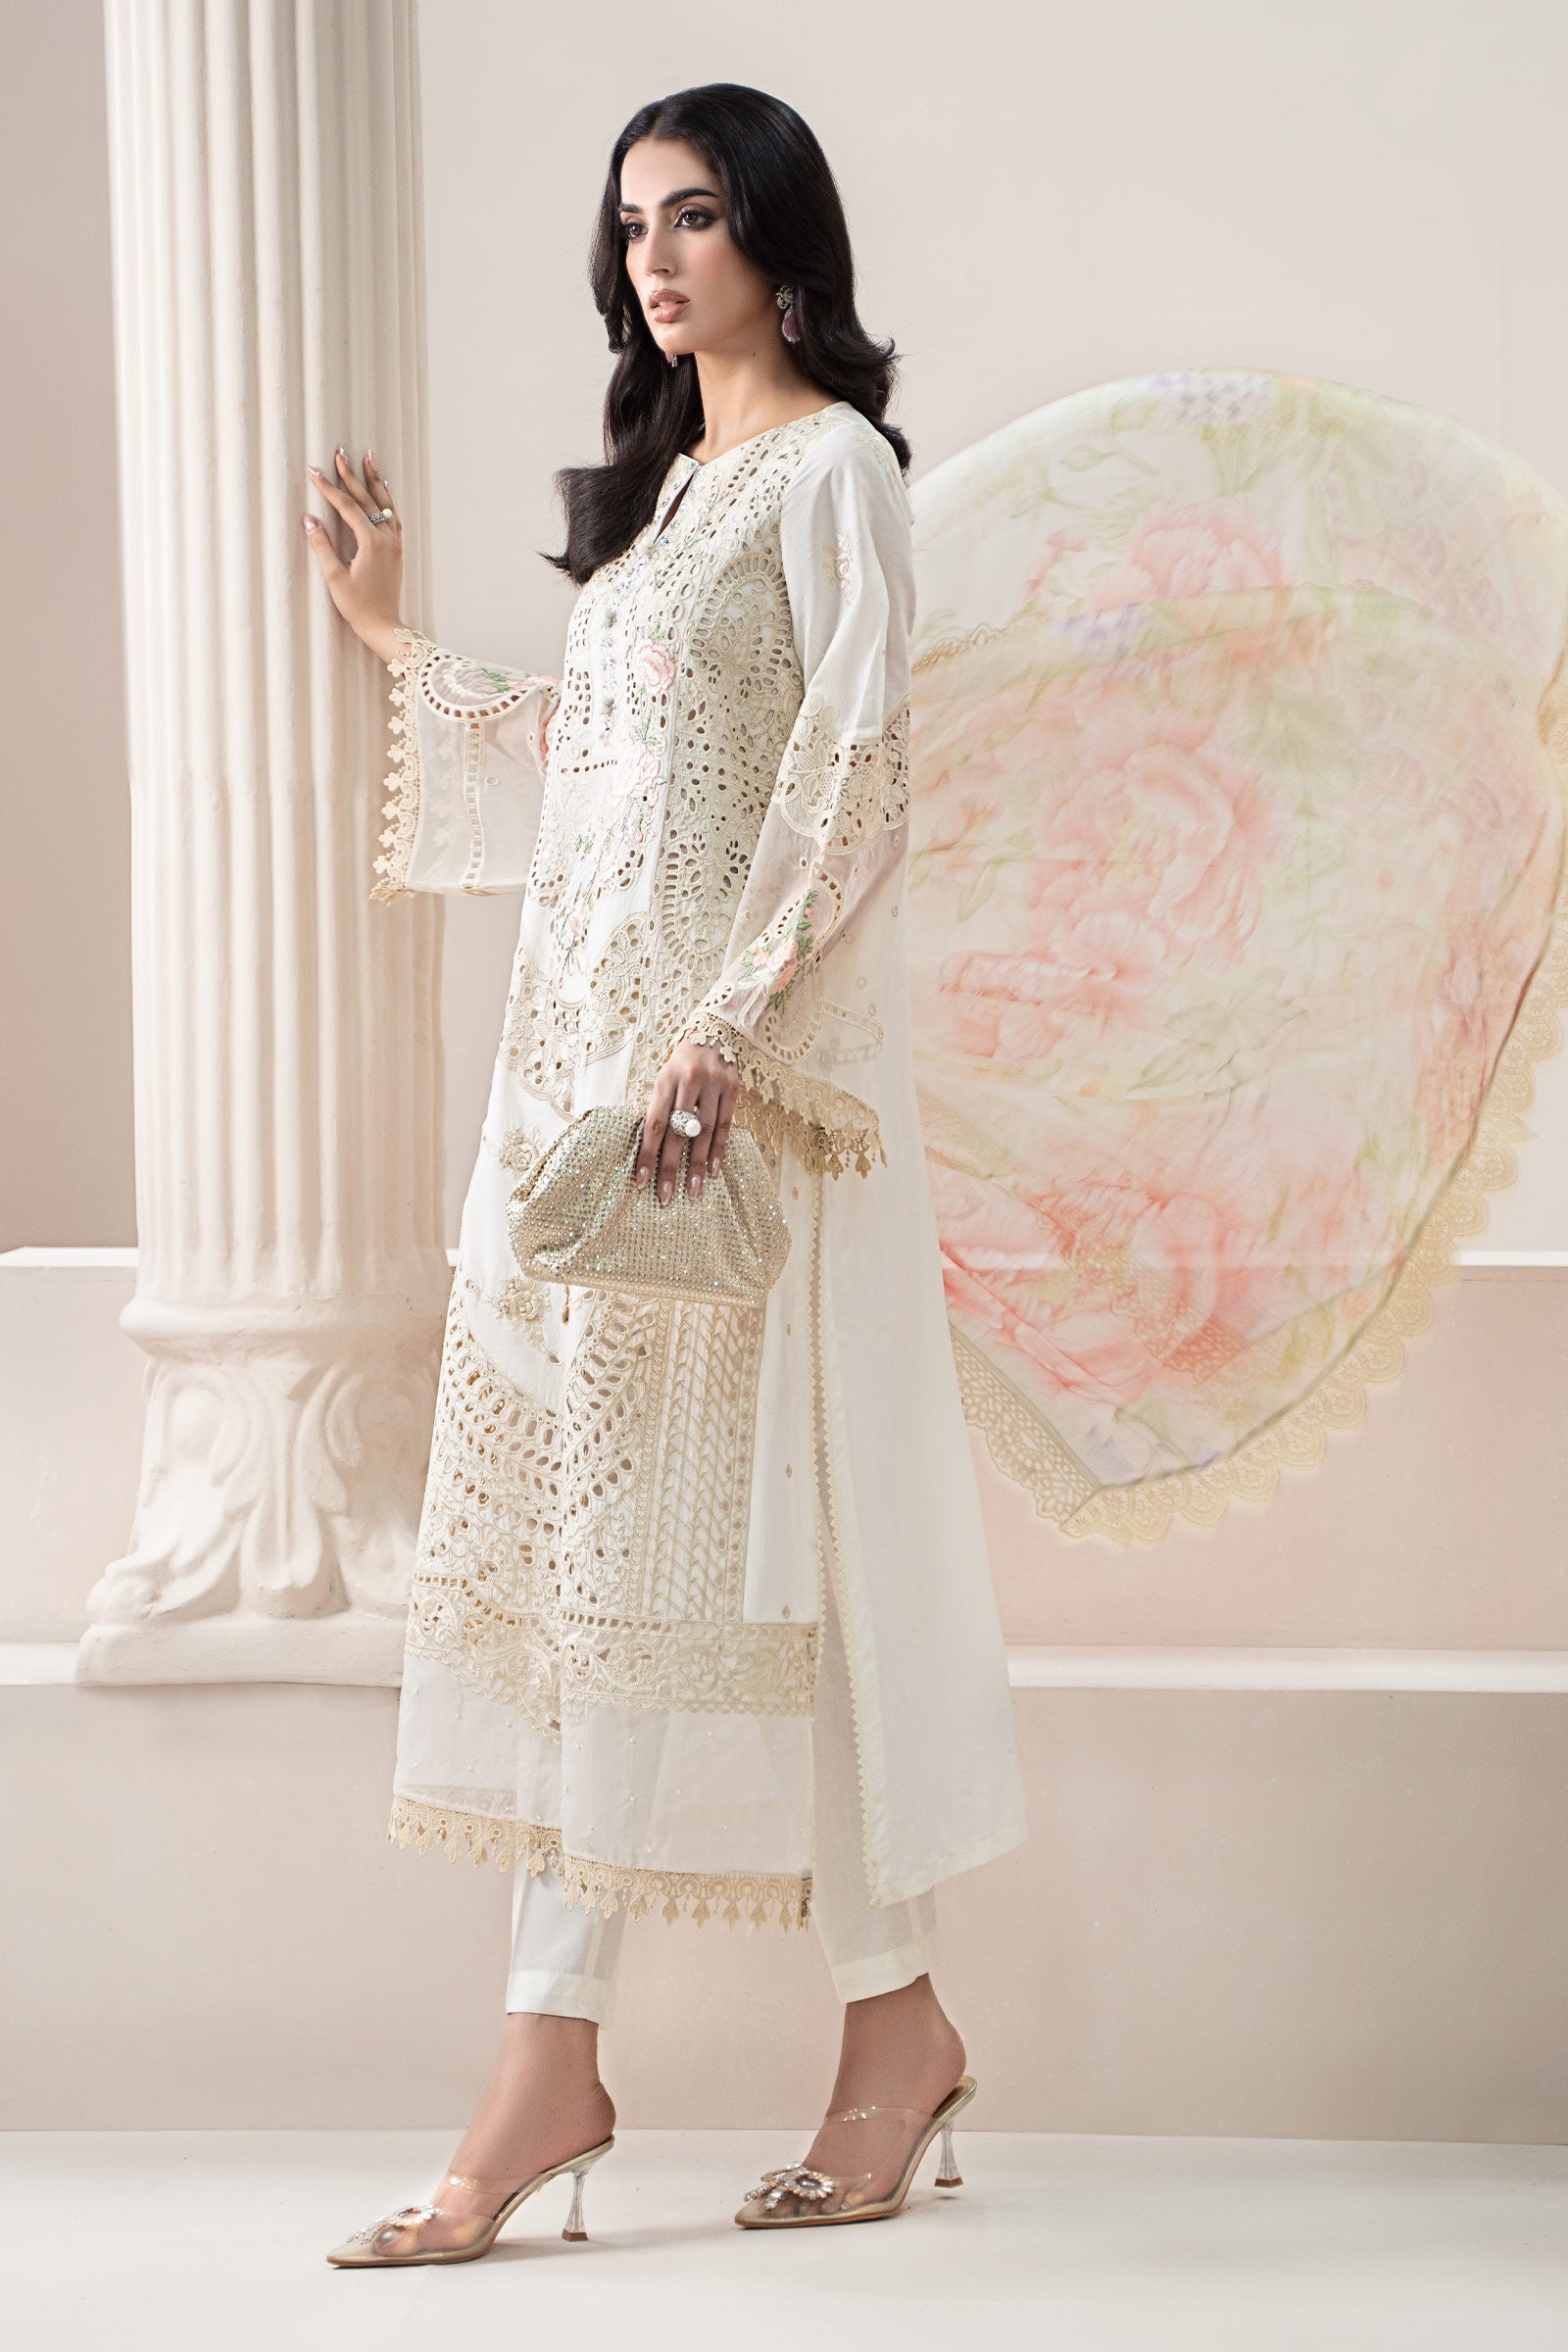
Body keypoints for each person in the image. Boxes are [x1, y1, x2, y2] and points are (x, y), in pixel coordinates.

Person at [304, 81, 1025, 2266]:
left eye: (694, 216)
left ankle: (719, 2046)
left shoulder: (831, 470)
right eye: (632, 225)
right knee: (611, 1567)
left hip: (733, 1106)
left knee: (766, 1559)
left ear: (777, 239)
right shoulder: (672, 502)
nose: (655, 256)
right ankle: (701, 2046)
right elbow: (611, 764)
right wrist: (397, 645)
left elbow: (856, 765)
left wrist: (730, 1022)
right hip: (586, 1103)